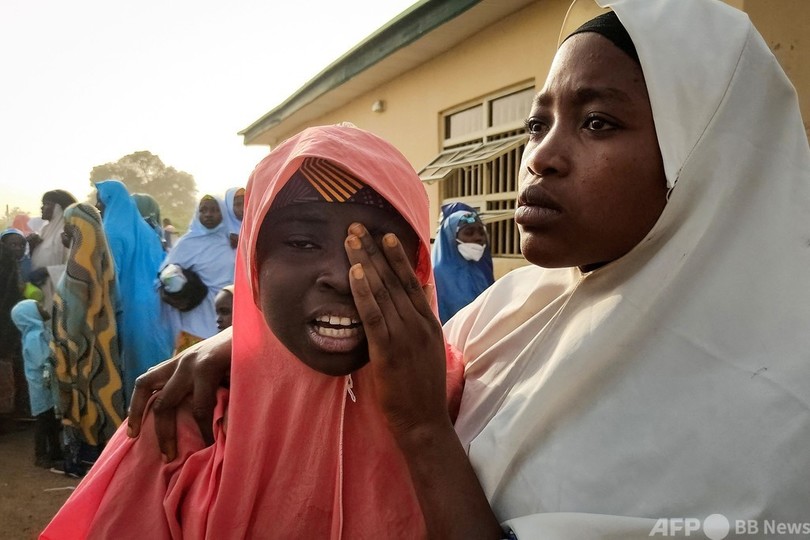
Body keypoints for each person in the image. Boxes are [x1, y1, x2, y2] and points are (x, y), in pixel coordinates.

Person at [118, 0, 810, 537]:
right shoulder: (520, 305)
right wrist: (251, 341)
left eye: (597, 123)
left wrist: (422, 429)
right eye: (538, 125)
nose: (540, 157)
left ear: (710, 162)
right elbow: (389, 357)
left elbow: (418, 405)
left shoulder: (777, 420)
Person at [41, 124, 467, 539]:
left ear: (419, 265)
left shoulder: (466, 403)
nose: (341, 275)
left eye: (377, 247)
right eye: (301, 243)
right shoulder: (189, 422)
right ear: (252, 266)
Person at [51, 202, 125, 477]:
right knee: (102, 401)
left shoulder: (77, 272)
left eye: (68, 229)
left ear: (77, 231)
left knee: (84, 403)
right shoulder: (103, 264)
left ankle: (84, 460)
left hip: (78, 354)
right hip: (102, 350)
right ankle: (101, 459)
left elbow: (73, 322)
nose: (63, 235)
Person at [95, 179, 174, 403]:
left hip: (130, 306)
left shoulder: (112, 232)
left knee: (135, 366)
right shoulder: (148, 232)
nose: (98, 206)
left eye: (99, 201)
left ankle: (137, 423)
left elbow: (111, 276)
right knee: (157, 358)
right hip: (156, 303)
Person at [159, 194, 235, 352]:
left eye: (214, 210)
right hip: (195, 316)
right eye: (203, 210)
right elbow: (164, 274)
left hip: (227, 314)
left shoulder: (232, 241)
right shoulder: (187, 243)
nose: (208, 214)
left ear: (224, 213)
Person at [10, 299, 62, 469]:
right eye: (38, 307)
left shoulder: (38, 332)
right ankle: (40, 455)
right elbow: (42, 359)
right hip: (41, 386)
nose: (43, 308)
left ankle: (55, 452)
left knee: (52, 421)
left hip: (45, 385)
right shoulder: (35, 336)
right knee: (44, 422)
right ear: (29, 315)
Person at [431, 208, 494, 323]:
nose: (478, 237)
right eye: (469, 233)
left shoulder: (482, 268)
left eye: (481, 232)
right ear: (451, 238)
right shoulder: (437, 276)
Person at [28, 189, 76, 314]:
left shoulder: (66, 234)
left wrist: (47, 271)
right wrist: (32, 247)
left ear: (58, 208)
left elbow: (75, 267)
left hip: (58, 294)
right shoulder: (44, 230)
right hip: (40, 292)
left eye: (47, 204)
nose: (42, 208)